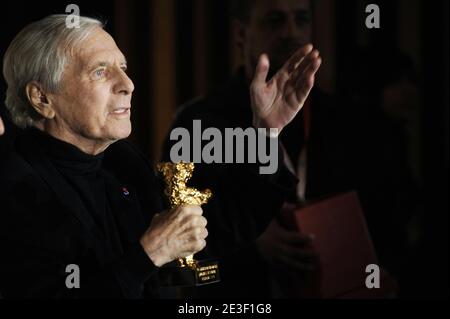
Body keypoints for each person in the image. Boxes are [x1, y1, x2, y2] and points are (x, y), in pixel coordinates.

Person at [0, 13, 320, 299]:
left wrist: (265, 132)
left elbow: (208, 234)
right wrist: (147, 255)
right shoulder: (15, 186)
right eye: (99, 72)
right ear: (42, 97)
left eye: (122, 68)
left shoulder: (122, 163)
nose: (128, 84)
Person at [163, 0, 334, 298]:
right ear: (242, 33)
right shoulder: (194, 124)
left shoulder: (344, 119)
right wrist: (248, 244)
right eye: (275, 20)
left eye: (301, 19)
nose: (291, 31)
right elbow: (178, 270)